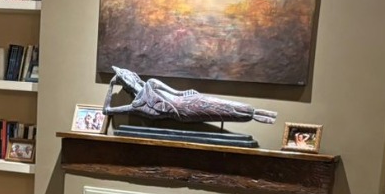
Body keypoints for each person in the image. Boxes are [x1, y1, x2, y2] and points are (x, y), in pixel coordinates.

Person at [102, 66, 276, 124]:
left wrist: (187, 92)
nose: (128, 81)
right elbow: (107, 110)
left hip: (187, 100)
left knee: (224, 105)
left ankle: (258, 113)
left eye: (127, 77)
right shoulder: (135, 106)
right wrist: (111, 85)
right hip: (183, 114)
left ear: (133, 76)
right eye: (124, 80)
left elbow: (176, 92)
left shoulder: (151, 83)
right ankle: (254, 115)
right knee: (221, 113)